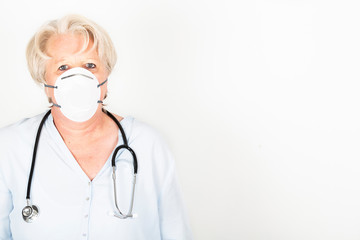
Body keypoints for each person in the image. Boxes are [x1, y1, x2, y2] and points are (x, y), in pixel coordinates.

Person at [0, 14, 192, 240]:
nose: (78, 78)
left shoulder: (148, 145)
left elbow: (176, 233)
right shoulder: (10, 147)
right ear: (46, 83)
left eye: (90, 65)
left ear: (106, 76)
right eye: (63, 67)